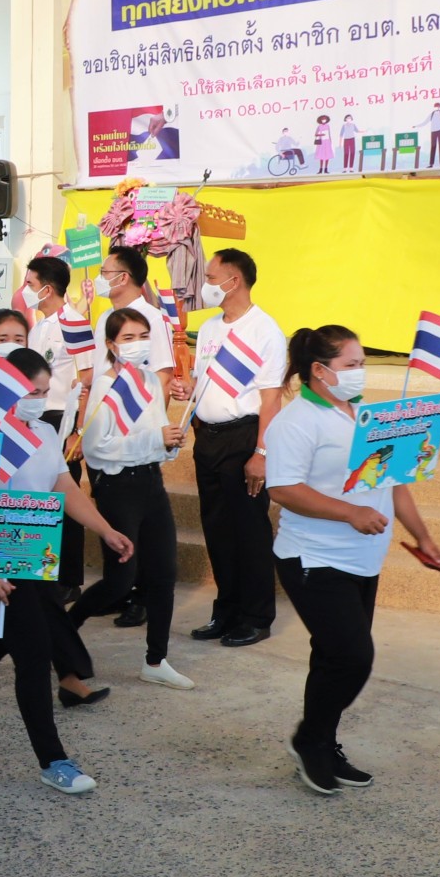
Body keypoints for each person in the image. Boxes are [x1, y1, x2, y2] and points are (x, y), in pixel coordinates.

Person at [0, 345, 132, 792]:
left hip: (35, 554)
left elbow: (61, 485)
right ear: (5, 391)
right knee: (35, 655)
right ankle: (53, 760)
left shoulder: (41, 432)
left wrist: (105, 529)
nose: (39, 399)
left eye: (43, 390)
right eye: (30, 391)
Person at [264, 326, 440, 794]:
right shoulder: (296, 421)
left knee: (331, 658)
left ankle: (323, 743)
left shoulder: (367, 415)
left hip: (364, 558)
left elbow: (395, 480)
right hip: (313, 557)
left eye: (363, 363)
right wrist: (349, 512)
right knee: (353, 657)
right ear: (319, 371)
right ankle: (310, 739)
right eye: (352, 364)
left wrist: (421, 535)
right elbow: (282, 488)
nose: (361, 372)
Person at [66, 307, 192, 690]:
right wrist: (156, 440)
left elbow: (157, 437)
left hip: (152, 484)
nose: (136, 345)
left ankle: (156, 659)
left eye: (142, 337)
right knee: (120, 581)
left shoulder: (151, 383)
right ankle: (64, 628)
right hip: (118, 489)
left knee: (164, 574)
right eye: (127, 338)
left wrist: (169, 442)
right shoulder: (105, 386)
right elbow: (98, 448)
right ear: (111, 344)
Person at [187, 249, 282, 647]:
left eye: (211, 277)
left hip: (243, 438)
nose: (205, 285)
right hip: (207, 437)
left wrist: (260, 454)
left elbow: (272, 399)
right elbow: (200, 382)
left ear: (234, 280)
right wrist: (185, 393)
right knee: (217, 529)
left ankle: (256, 616)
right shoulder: (209, 329)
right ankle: (226, 610)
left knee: (248, 530)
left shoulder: (266, 331)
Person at [23, 256, 91, 598]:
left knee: (66, 495)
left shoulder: (73, 322)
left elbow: (86, 378)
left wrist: (78, 430)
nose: (27, 291)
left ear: (47, 289)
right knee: (40, 495)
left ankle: (69, 579)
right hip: (37, 416)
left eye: (31, 284)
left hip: (62, 419)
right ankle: (43, 568)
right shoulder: (39, 324)